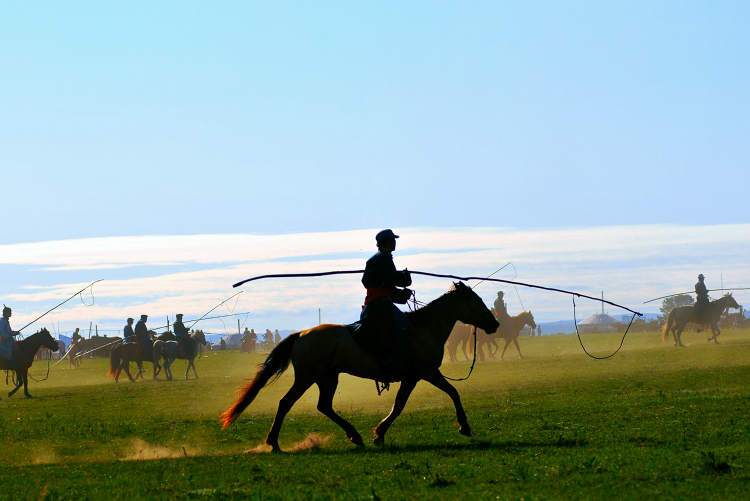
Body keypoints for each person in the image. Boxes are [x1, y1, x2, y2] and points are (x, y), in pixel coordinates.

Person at [359, 229, 412, 378]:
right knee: (404, 322)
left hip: (379, 301)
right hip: (379, 304)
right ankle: (393, 359)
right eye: (393, 240)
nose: (395, 242)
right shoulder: (382, 258)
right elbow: (391, 280)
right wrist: (404, 278)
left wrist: (400, 291)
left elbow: (385, 282)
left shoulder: (382, 257)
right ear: (387, 242)